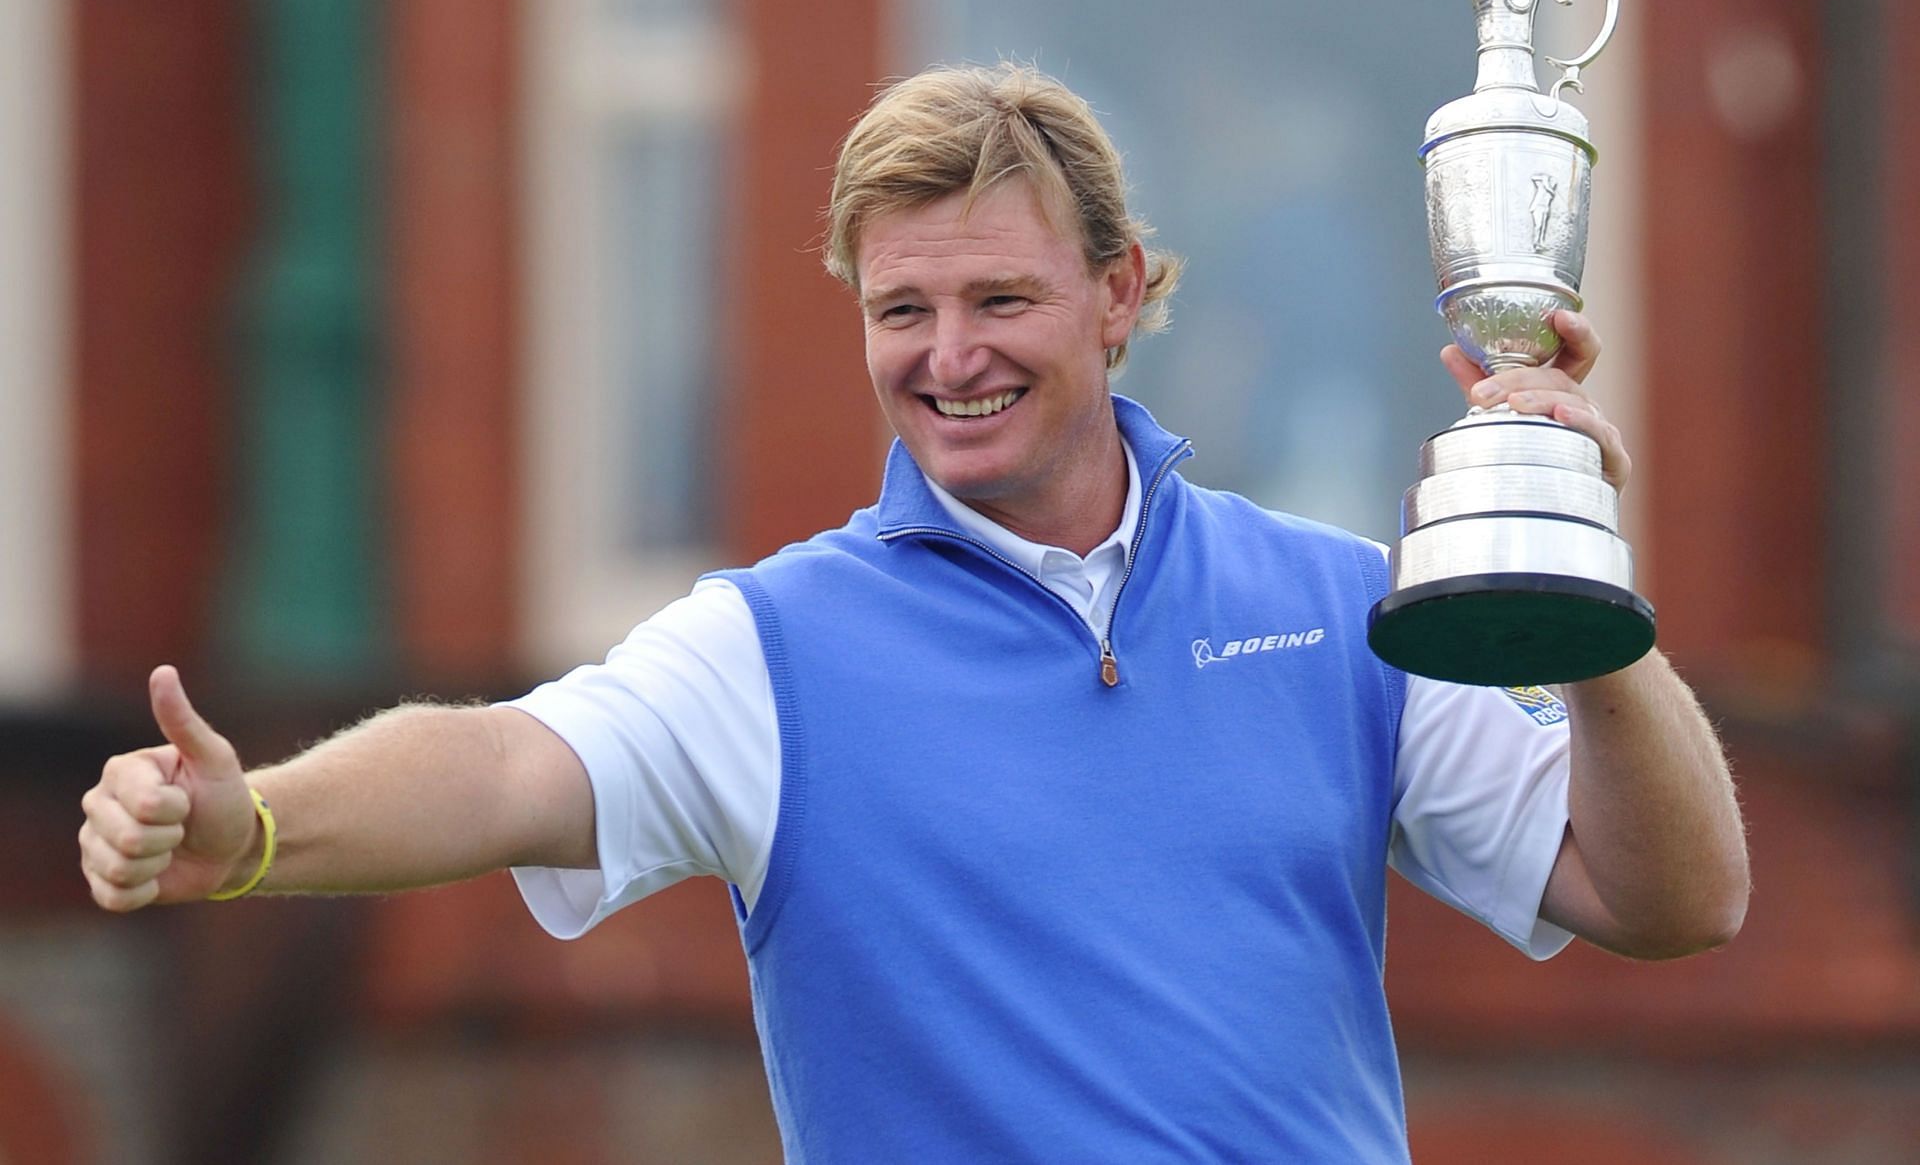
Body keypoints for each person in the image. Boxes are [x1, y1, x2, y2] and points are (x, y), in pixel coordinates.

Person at [79, 63, 1748, 1161]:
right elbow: (508, 764)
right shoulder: (777, 648)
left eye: (1001, 296)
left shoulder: (1332, 603)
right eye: (904, 309)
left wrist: (1578, 596)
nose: (950, 355)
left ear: (1120, 294)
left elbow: (1673, 896)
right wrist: (257, 826)